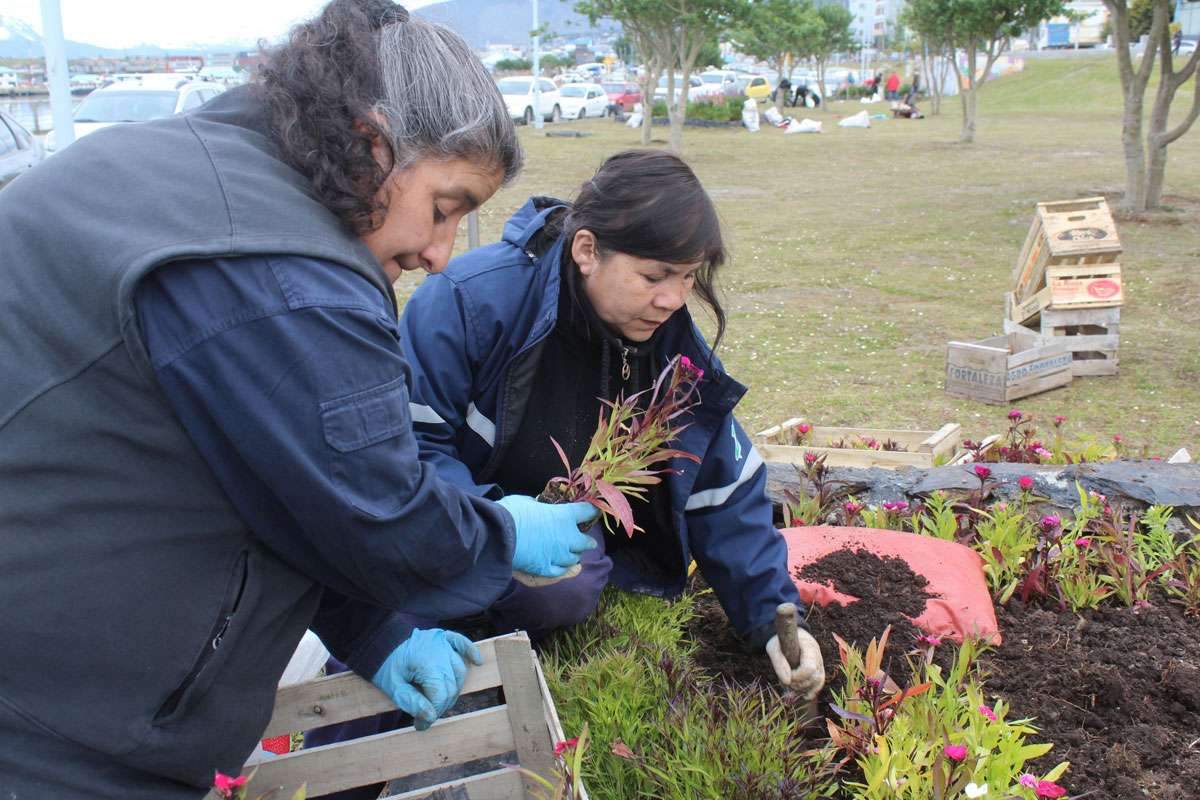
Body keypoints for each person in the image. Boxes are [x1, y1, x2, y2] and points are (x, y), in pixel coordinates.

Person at [0, 1, 597, 798]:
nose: (437, 253)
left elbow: (259, 475)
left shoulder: (188, 173)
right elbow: (374, 514)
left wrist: (371, 630)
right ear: (373, 142)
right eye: (445, 207)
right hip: (58, 731)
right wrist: (497, 534)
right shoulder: (283, 275)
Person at [306, 150, 825, 800]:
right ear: (586, 250)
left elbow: (723, 488)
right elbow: (402, 456)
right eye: (654, 275)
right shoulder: (470, 304)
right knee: (377, 676)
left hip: (534, 571)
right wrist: (494, 531)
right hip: (433, 543)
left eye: (688, 278)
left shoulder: (664, 346)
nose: (672, 300)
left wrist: (773, 616)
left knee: (567, 585)